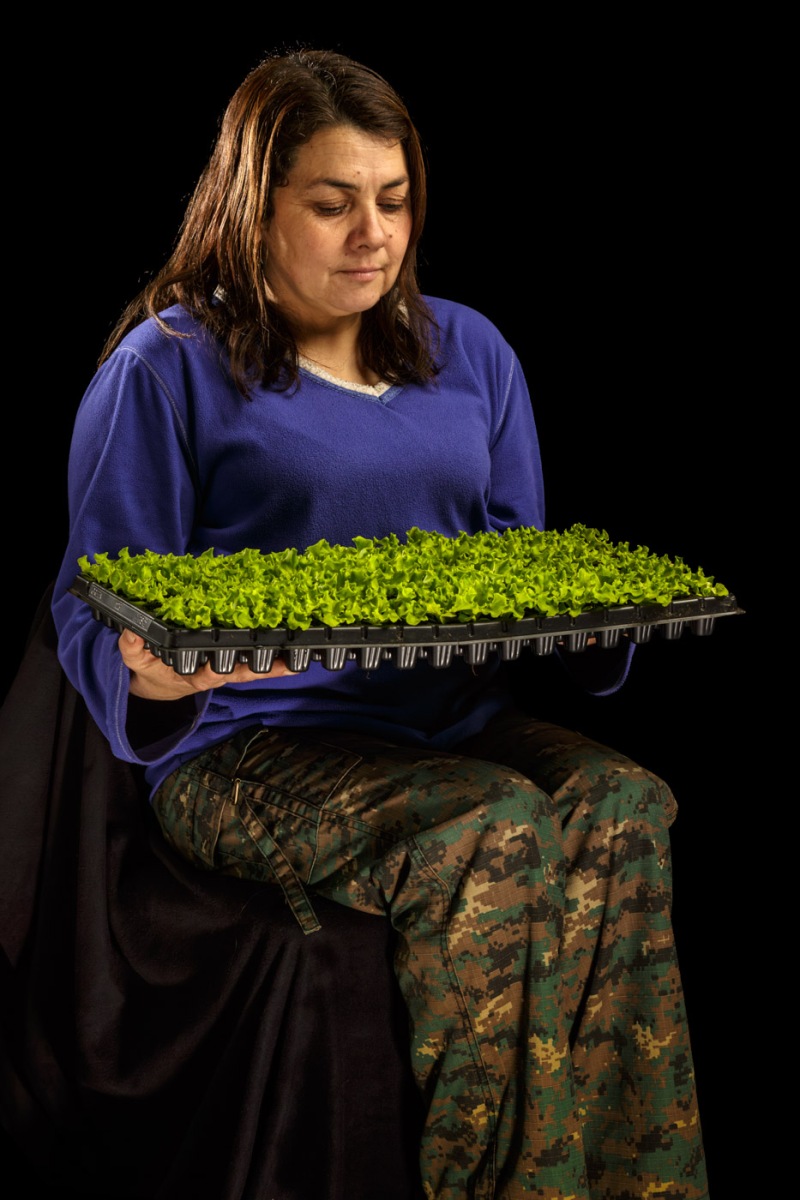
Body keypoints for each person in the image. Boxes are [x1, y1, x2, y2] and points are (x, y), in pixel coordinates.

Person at [52, 48, 709, 1200]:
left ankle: (638, 1185)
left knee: (623, 802)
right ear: (253, 208)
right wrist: (146, 673)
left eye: (394, 201)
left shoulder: (470, 352)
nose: (374, 236)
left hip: (445, 724)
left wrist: (585, 620)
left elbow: (513, 561)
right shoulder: (166, 370)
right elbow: (88, 600)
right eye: (333, 204)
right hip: (248, 750)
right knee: (491, 826)